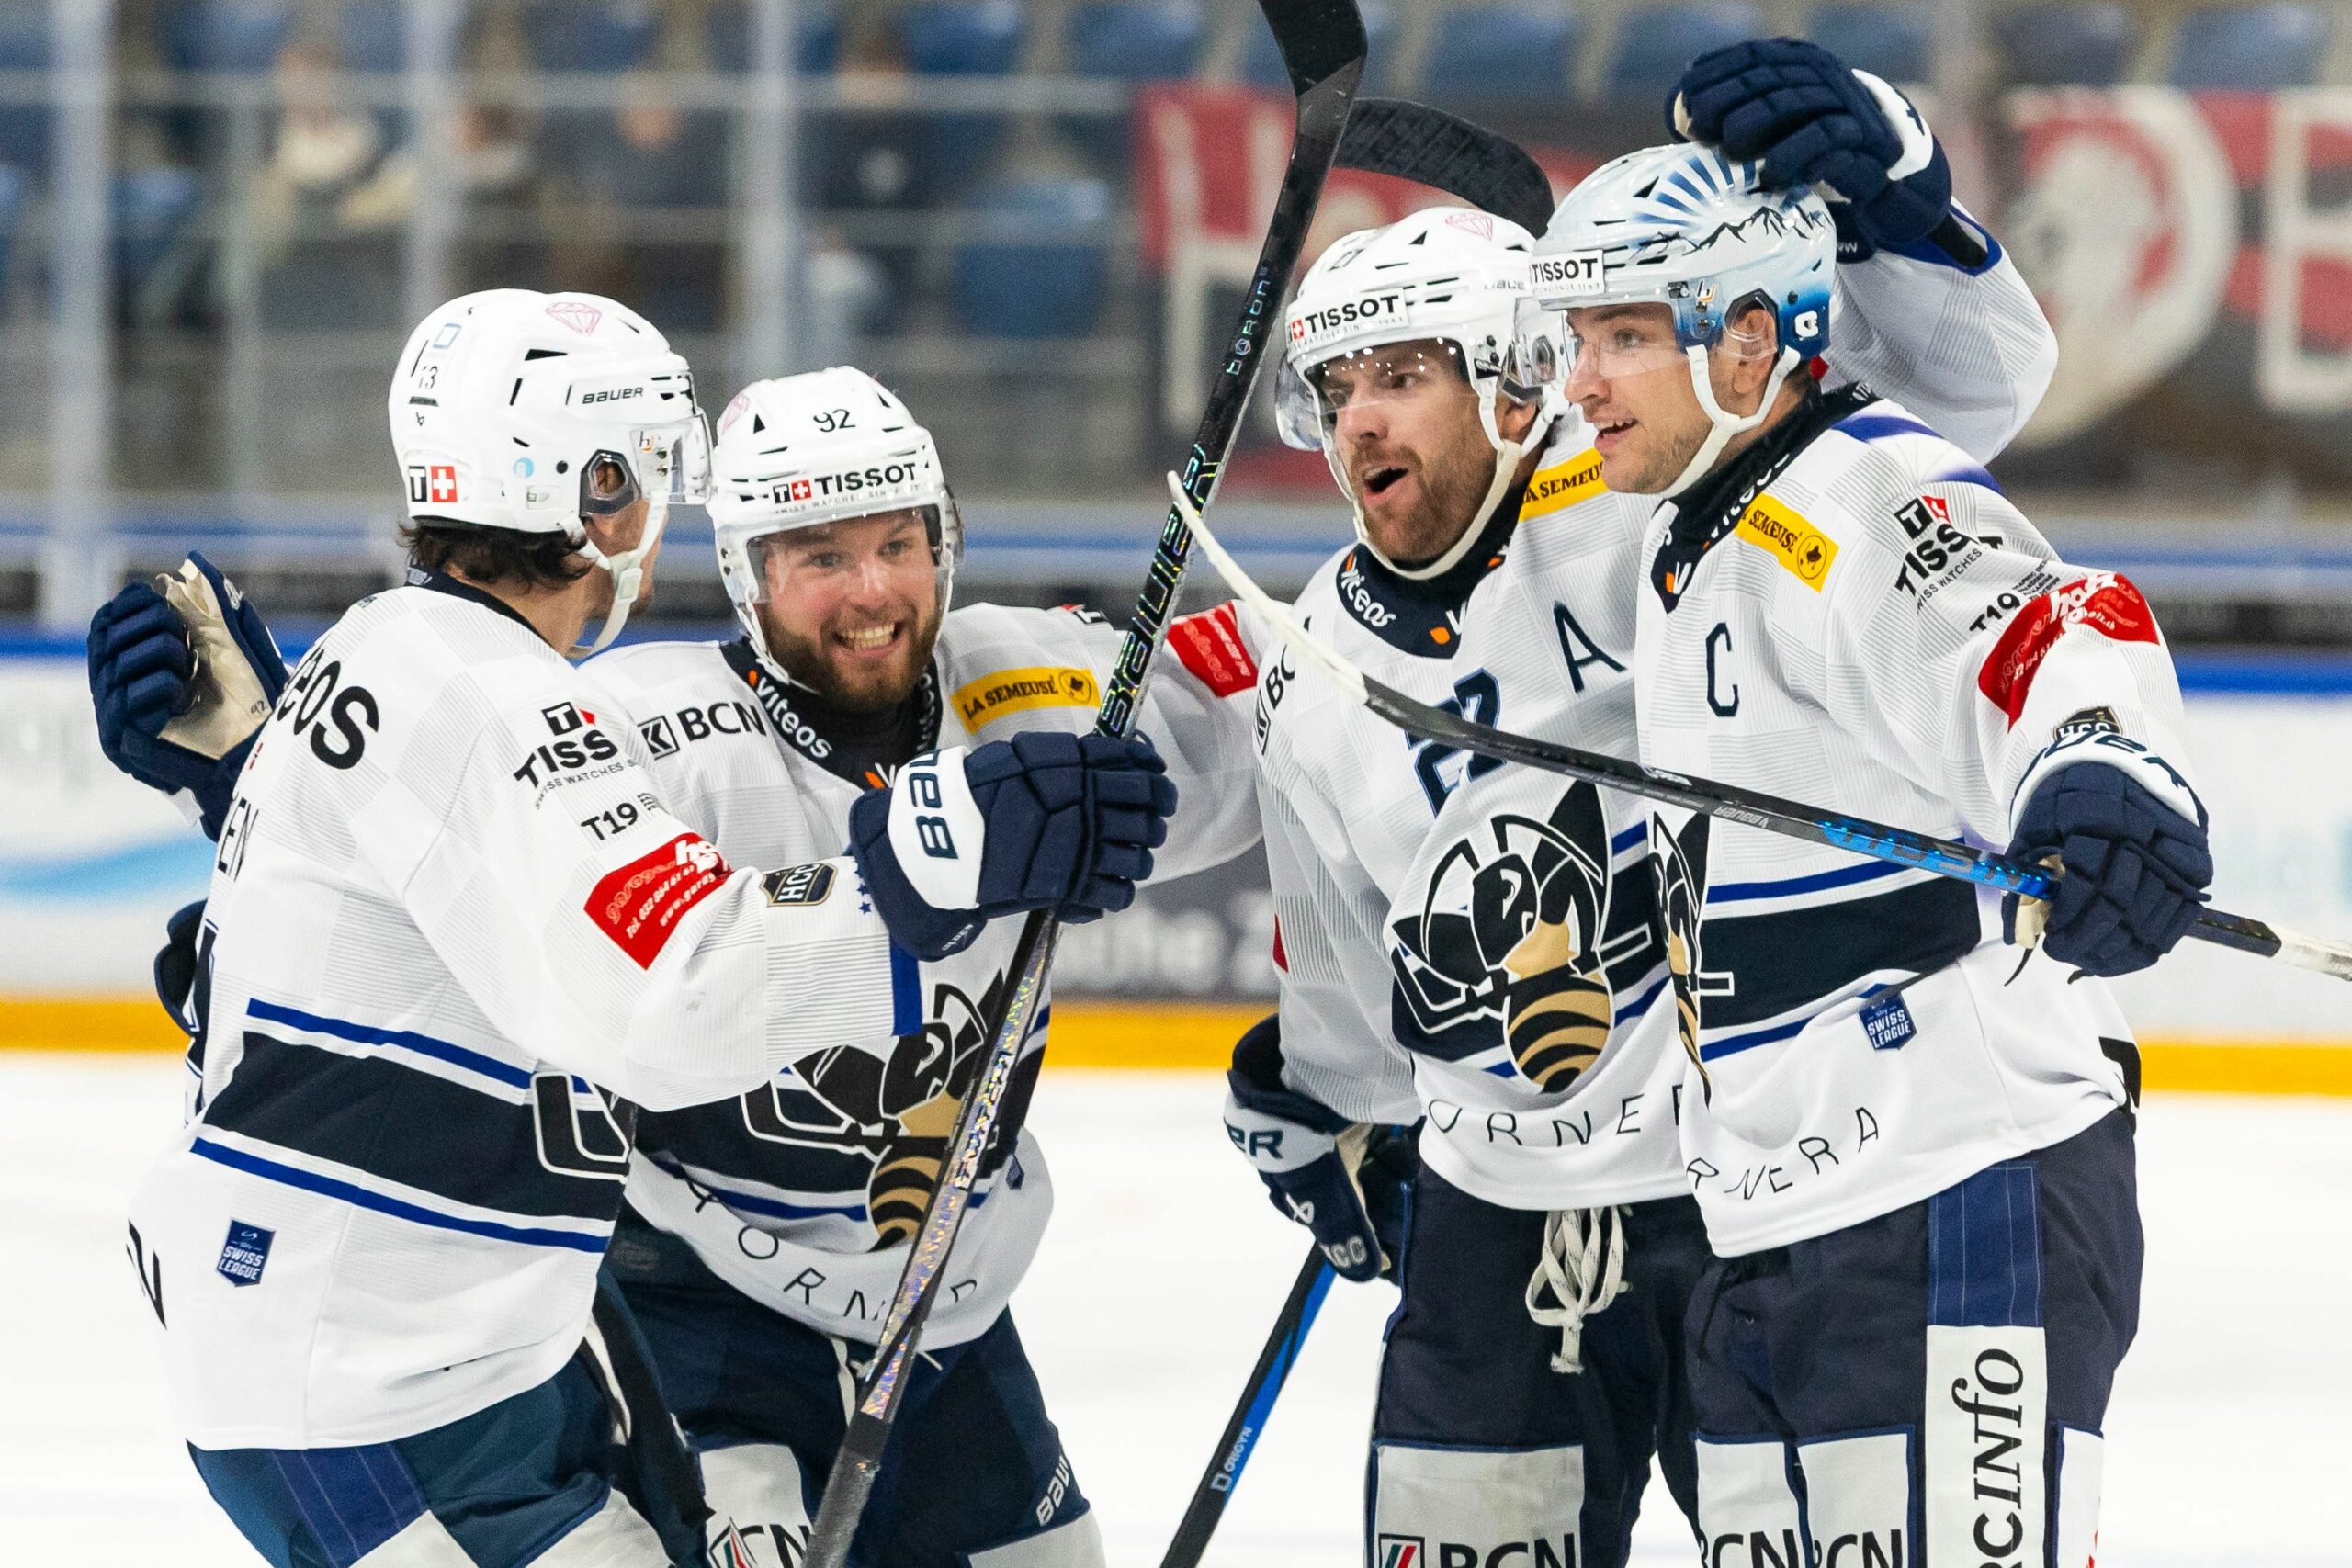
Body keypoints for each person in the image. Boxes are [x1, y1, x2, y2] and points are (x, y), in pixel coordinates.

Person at [92, 361, 1261, 1568]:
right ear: (749, 579)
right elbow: (489, 885)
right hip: (699, 1301)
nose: (872, 592)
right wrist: (258, 834)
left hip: (948, 1310)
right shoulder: (638, 728)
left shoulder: (1050, 687)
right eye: (819, 555)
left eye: (900, 543)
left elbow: (1314, 706)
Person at [1227, 43, 2061, 1568]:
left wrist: (1906, 212)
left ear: (1508, 374)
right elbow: (1348, 960)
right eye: (1335, 389)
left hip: (1727, 1184)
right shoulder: (1305, 664)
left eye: (1402, 376)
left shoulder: (1660, 499)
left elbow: (1960, 404)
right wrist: (1321, 1096)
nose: (1361, 427)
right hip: (1490, 1218)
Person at [1525, 130, 2208, 1564]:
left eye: (1624, 335)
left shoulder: (1844, 496)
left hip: (1954, 1195)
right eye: (1576, 335)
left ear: (1753, 337)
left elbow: (2049, 625)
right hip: (1777, 1223)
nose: (1579, 380)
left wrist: (2106, 770)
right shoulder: (1689, 527)